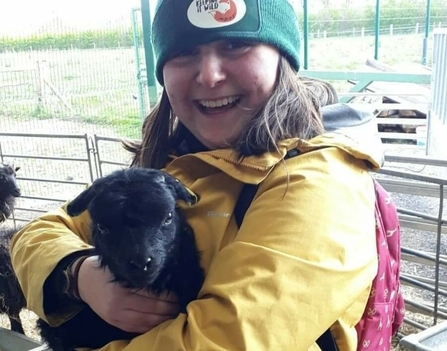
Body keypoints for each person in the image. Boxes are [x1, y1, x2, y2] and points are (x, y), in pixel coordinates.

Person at [11, 0, 386, 350]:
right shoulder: (179, 162)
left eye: (236, 46)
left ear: (281, 58)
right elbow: (39, 231)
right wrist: (77, 274)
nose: (209, 75)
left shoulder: (317, 183)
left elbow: (226, 339)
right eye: (184, 52)